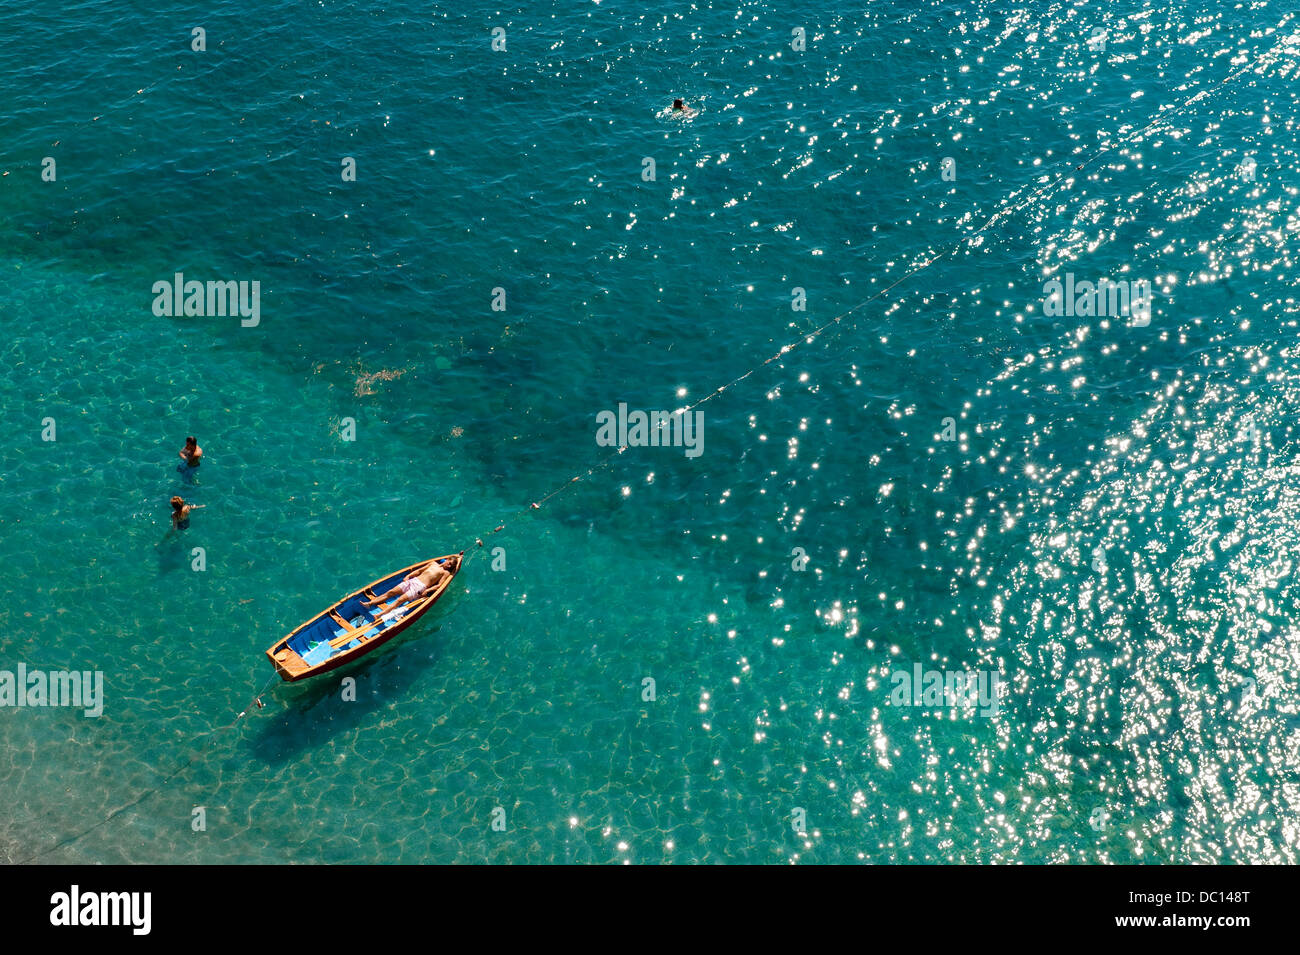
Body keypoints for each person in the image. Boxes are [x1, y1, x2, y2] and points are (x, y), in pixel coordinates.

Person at [362, 560, 450, 611]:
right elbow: (419, 571)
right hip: (413, 581)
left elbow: (439, 585)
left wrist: (427, 590)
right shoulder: (433, 563)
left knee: (400, 600)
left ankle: (381, 614)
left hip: (420, 587)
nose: (449, 566)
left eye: (451, 565)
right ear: (446, 560)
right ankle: (370, 603)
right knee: (391, 592)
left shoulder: (445, 573)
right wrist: (408, 576)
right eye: (449, 563)